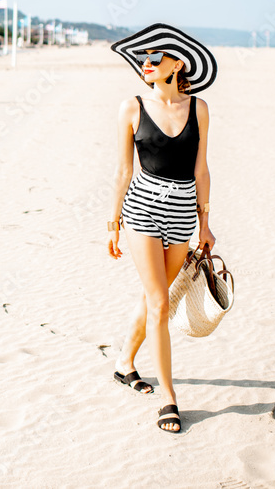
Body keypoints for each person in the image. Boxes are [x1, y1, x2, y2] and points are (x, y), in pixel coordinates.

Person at [106, 23, 218, 434]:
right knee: (158, 303)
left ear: (178, 63)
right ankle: (169, 398)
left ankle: (123, 363)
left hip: (183, 215)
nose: (147, 64)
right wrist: (113, 222)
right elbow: (122, 170)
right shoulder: (131, 108)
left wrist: (206, 224)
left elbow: (202, 169)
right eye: (144, 60)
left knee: (154, 299)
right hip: (141, 213)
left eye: (156, 58)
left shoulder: (199, 108)